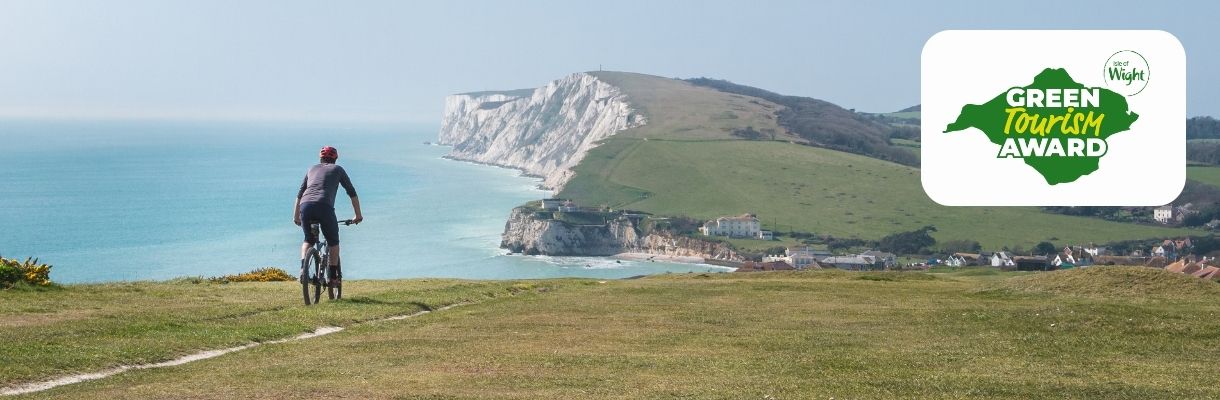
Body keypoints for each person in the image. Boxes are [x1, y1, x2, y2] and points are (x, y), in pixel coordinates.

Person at [294, 146, 363, 284]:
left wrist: (296, 216)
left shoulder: (311, 169)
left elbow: (300, 195)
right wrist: (358, 215)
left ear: (320, 158)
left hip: (306, 206)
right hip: (324, 207)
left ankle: (303, 270)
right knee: (333, 242)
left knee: (309, 239)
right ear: (335, 159)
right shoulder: (338, 169)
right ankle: (332, 277)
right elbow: (351, 192)